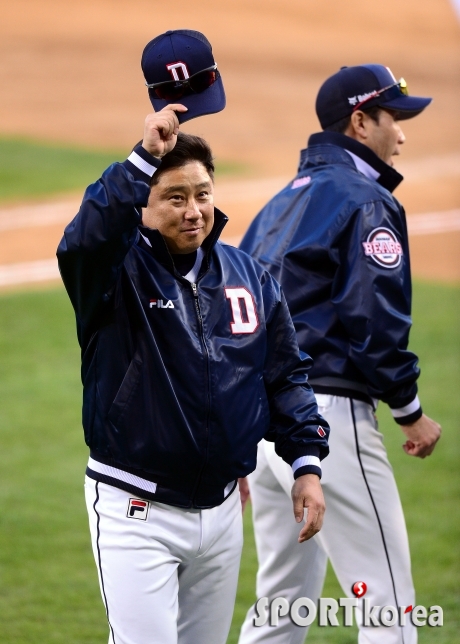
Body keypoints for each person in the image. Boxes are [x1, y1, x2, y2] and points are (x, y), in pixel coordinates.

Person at [56, 102, 330, 644]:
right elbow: (84, 241)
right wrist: (140, 160)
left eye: (202, 194)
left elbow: (283, 375)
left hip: (223, 510)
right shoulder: (116, 275)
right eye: (174, 197)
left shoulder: (249, 275)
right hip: (137, 508)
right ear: (143, 204)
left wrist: (306, 462)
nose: (193, 210)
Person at [237, 64, 442, 644]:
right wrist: (410, 411)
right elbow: (373, 322)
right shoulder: (365, 199)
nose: (401, 134)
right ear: (360, 121)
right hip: (328, 422)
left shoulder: (278, 203)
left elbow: (236, 322)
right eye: (393, 119)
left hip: (265, 426)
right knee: (386, 603)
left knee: (282, 606)